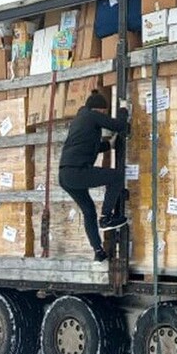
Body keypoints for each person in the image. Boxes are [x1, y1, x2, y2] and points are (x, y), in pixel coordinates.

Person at [59, 89, 129, 262]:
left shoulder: (80, 120)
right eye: (104, 113)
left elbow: (88, 146)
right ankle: (106, 218)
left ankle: (98, 251)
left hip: (65, 175)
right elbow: (119, 125)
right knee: (116, 177)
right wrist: (123, 110)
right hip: (77, 172)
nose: (104, 116)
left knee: (89, 211)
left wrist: (108, 145)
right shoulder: (91, 115)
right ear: (99, 110)